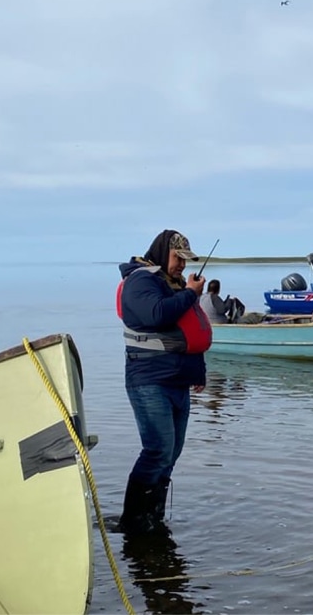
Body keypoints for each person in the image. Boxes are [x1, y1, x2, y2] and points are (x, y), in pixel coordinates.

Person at [116, 229, 210, 536]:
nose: (182, 265)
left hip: (178, 382)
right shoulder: (141, 281)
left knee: (171, 454)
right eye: (177, 258)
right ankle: (133, 522)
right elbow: (156, 315)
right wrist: (191, 294)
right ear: (162, 252)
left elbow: (188, 331)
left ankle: (152, 520)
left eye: (186, 260)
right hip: (149, 379)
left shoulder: (174, 285)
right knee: (157, 450)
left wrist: (199, 372)